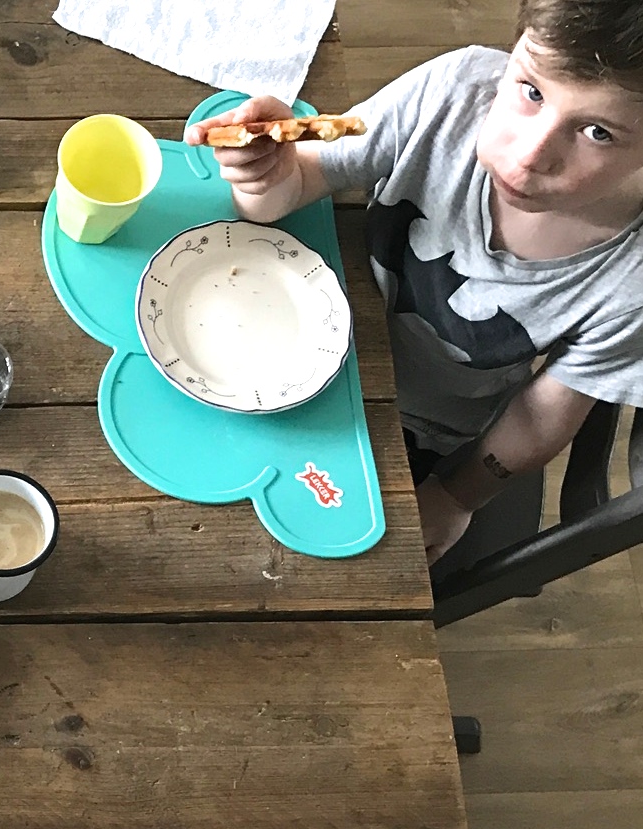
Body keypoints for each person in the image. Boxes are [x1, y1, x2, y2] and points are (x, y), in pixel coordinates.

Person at [187, 0, 643, 565]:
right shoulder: (448, 93)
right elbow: (295, 185)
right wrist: (267, 177)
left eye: (598, 132)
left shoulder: (631, 286)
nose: (530, 157)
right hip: (288, 330)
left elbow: (542, 414)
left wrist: (457, 496)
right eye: (531, 90)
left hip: (412, 426)